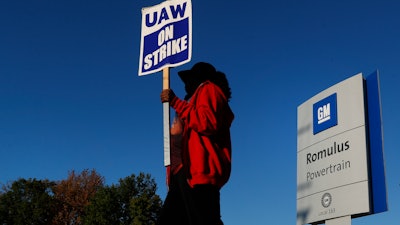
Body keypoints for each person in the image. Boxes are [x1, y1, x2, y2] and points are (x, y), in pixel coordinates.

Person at [157, 62, 234, 225]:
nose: (186, 84)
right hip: (185, 172)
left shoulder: (209, 89)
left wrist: (175, 102)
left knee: (203, 220)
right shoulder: (193, 100)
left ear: (198, 78)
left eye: (189, 79)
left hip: (199, 172)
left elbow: (207, 122)